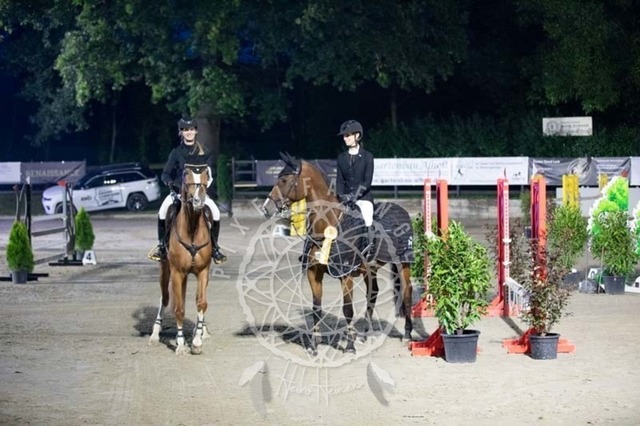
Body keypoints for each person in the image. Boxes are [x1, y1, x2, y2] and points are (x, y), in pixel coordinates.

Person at [148, 117, 227, 264]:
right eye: (185, 130)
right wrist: (169, 182)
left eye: (191, 129)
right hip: (180, 192)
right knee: (162, 211)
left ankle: (215, 248)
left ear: (196, 131)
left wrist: (203, 188)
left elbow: (209, 174)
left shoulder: (204, 153)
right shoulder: (176, 152)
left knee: (215, 212)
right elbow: (165, 173)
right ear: (181, 133)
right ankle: (162, 247)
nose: (189, 132)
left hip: (200, 193)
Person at [336, 119, 375, 253]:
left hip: (363, 197)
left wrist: (354, 196)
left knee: (367, 215)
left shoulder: (367, 157)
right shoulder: (341, 158)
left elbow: (367, 181)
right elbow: (340, 181)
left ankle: (369, 247)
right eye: (344, 136)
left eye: (347, 135)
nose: (345, 138)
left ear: (357, 136)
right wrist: (341, 196)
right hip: (346, 198)